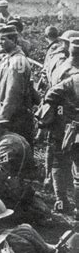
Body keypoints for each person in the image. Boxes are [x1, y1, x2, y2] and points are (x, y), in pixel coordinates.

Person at [41, 40, 79, 215]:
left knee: (58, 161)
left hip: (59, 123)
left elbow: (50, 93)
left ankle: (61, 201)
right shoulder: (73, 74)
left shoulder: (58, 64)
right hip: (72, 126)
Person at [0, 24, 35, 145]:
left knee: (18, 151)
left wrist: (2, 119)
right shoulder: (7, 58)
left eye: (3, 39)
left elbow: (13, 93)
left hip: (15, 117)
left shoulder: (18, 61)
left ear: (14, 40)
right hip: (9, 114)